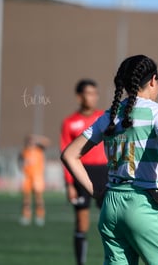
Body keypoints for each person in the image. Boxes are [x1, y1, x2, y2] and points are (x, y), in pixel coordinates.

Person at [61, 54, 158, 265]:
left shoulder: (108, 116)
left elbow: (69, 155)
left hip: (110, 207)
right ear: (153, 80)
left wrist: (95, 190)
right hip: (144, 204)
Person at [60, 79, 108, 265]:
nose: (93, 97)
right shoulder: (69, 123)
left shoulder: (104, 117)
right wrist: (69, 184)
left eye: (95, 93)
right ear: (79, 96)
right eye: (89, 93)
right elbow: (65, 153)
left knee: (111, 220)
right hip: (81, 173)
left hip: (104, 172)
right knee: (82, 222)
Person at [19, 134, 50, 226]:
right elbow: (20, 162)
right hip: (27, 177)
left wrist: (37, 138)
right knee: (26, 198)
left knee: (38, 198)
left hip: (37, 177)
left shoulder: (39, 150)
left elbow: (47, 141)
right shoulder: (24, 151)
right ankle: (26, 216)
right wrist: (22, 166)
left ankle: (40, 216)